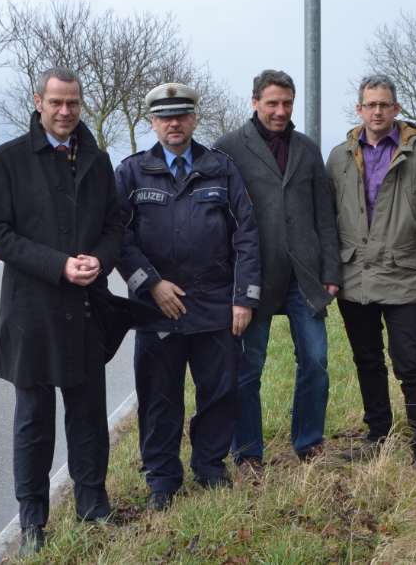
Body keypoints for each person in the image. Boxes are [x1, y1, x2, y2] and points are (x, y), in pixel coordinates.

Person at [0, 67, 124, 557]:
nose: (65, 112)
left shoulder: (99, 162)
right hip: (32, 313)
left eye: (74, 103)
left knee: (88, 417)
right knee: (34, 422)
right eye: (57, 102)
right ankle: (34, 523)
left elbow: (115, 227)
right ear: (38, 100)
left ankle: (93, 506)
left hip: (85, 311)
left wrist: (99, 259)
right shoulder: (7, 161)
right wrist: (58, 265)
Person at [115, 82, 260, 511]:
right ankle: (162, 480)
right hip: (155, 308)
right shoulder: (131, 173)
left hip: (215, 305)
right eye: (164, 117)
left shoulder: (222, 169)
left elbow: (248, 236)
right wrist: (151, 283)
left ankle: (210, 469)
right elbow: (116, 237)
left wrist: (244, 298)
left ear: (195, 118)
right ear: (153, 122)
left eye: (181, 115)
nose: (174, 123)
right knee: (159, 399)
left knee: (218, 393)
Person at [326, 74, 416, 469]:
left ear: (395, 109)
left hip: (403, 278)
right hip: (355, 279)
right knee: (367, 360)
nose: (377, 111)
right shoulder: (339, 157)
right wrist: (329, 272)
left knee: (408, 361)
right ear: (359, 109)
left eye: (384, 104)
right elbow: (326, 218)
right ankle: (377, 435)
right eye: (370, 104)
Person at [216, 69, 341, 468]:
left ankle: (308, 442)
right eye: (272, 103)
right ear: (254, 102)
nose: (281, 111)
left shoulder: (307, 149)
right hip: (253, 277)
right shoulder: (229, 148)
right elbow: (220, 219)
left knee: (316, 361)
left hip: (304, 276)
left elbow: (325, 215)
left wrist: (332, 271)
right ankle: (248, 452)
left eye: (287, 103)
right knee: (248, 367)